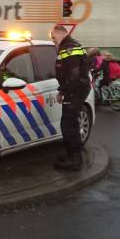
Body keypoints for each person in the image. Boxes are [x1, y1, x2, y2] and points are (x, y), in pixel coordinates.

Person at [50, 25, 90, 171]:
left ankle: (75, 159)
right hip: (75, 89)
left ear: (60, 34)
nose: (53, 41)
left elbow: (73, 75)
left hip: (75, 90)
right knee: (69, 123)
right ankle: (71, 155)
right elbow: (68, 74)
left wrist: (66, 91)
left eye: (53, 37)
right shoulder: (70, 46)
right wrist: (62, 90)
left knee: (68, 124)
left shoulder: (70, 48)